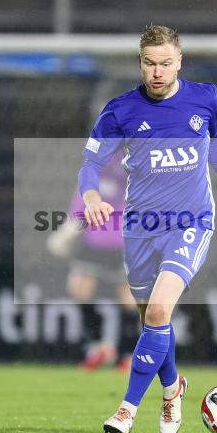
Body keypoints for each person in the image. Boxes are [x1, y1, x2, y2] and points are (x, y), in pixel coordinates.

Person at [77, 24, 217, 433]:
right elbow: (90, 165)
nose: (157, 72)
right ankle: (173, 389)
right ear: (140, 63)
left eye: (166, 63)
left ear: (179, 62)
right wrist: (92, 197)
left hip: (191, 222)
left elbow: (215, 137)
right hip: (140, 229)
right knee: (153, 320)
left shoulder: (205, 97)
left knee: (156, 312)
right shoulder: (120, 111)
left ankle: (127, 409)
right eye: (150, 64)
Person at [47, 152, 138, 372]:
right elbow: (81, 200)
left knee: (129, 300)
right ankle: (100, 347)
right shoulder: (95, 162)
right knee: (78, 289)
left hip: (122, 242)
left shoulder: (135, 159)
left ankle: (127, 355)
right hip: (93, 241)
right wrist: (68, 230)